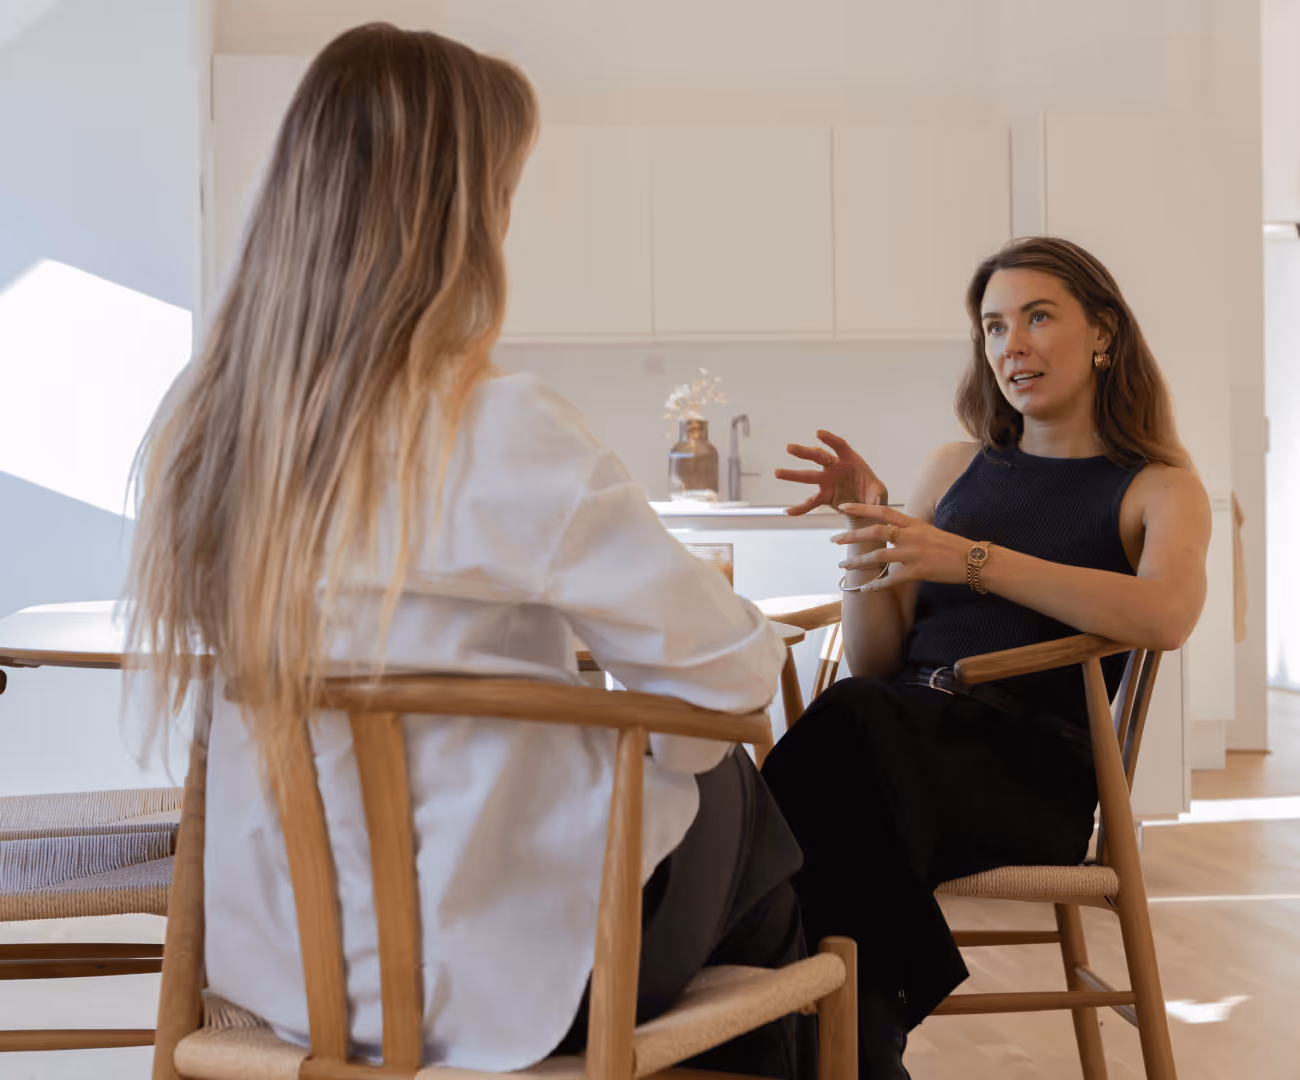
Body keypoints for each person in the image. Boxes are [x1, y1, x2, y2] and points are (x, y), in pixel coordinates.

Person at [125, 24, 811, 1077]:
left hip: (296, 982)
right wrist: (632, 735)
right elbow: (736, 678)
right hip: (513, 986)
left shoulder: (206, 433)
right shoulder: (497, 424)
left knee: (736, 841)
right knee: (751, 821)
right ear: (451, 215)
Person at [762, 236, 1211, 1080]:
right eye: (995, 327)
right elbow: (874, 661)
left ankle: (817, 1022)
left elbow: (1168, 615)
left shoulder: (1156, 487)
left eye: (1038, 317)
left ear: (1104, 334)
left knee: (824, 770)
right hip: (898, 743)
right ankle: (855, 1038)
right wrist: (871, 529)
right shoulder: (953, 468)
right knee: (855, 735)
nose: (1013, 345)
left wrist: (971, 559)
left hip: (1028, 773)